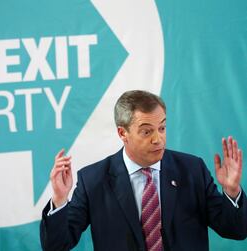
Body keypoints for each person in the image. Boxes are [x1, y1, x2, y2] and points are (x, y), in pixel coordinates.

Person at [40, 90, 247, 251]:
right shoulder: (93, 179)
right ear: (123, 133)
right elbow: (57, 246)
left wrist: (231, 191)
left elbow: (236, 230)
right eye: (147, 131)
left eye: (162, 128)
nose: (158, 139)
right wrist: (59, 199)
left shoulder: (192, 170)